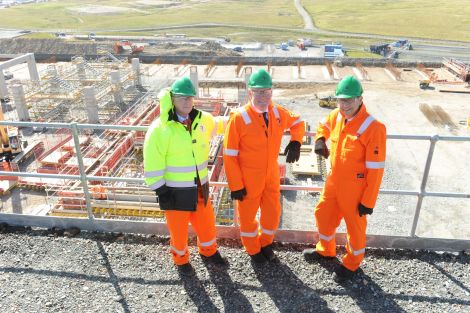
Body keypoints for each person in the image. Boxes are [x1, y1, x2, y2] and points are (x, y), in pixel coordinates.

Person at [303, 75, 386, 282]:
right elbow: (323, 124)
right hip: (333, 182)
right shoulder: (337, 115)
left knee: (355, 228)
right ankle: (326, 250)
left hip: (355, 188)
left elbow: (376, 169)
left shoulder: (373, 127)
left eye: (349, 100)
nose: (344, 104)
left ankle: (351, 264)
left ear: (360, 99)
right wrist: (321, 139)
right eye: (341, 100)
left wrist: (368, 201)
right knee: (323, 214)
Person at [144, 77, 227, 274]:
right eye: (182, 98)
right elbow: (152, 161)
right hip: (174, 190)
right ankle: (181, 260)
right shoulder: (160, 129)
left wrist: (242, 116)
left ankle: (209, 251)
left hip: (200, 186)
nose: (187, 102)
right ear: (172, 99)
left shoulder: (202, 120)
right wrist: (159, 188)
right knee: (178, 230)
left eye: (190, 97)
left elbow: (221, 125)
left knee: (206, 224)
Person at [223, 69, 305, 263]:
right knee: (248, 216)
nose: (263, 96)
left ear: (271, 92)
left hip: (271, 175)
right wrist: (235, 185)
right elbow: (229, 155)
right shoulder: (239, 118)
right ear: (250, 92)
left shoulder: (277, 112)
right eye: (258, 92)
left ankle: (266, 243)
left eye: (266, 91)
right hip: (248, 178)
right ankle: (253, 249)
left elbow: (299, 122)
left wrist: (296, 141)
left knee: (272, 212)